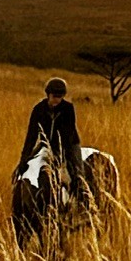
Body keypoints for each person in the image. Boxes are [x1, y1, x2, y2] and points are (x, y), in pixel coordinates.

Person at [20, 77, 88, 205]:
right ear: (48, 94)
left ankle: (83, 202)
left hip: (69, 144)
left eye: (60, 97)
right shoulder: (38, 109)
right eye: (54, 96)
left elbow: (67, 134)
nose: (56, 100)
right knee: (26, 167)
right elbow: (31, 135)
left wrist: (59, 156)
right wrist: (24, 157)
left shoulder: (68, 109)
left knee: (77, 172)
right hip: (46, 144)